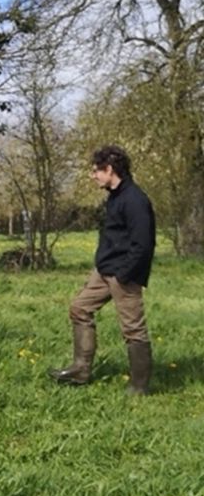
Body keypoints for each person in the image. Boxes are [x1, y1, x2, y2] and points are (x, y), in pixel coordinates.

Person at [47, 145, 156, 395]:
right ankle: (80, 371)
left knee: (133, 330)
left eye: (96, 170)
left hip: (124, 275)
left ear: (109, 169)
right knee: (79, 309)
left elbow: (144, 244)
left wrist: (124, 274)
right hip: (104, 271)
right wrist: (102, 266)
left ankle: (139, 388)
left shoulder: (135, 200)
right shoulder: (115, 195)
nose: (92, 175)